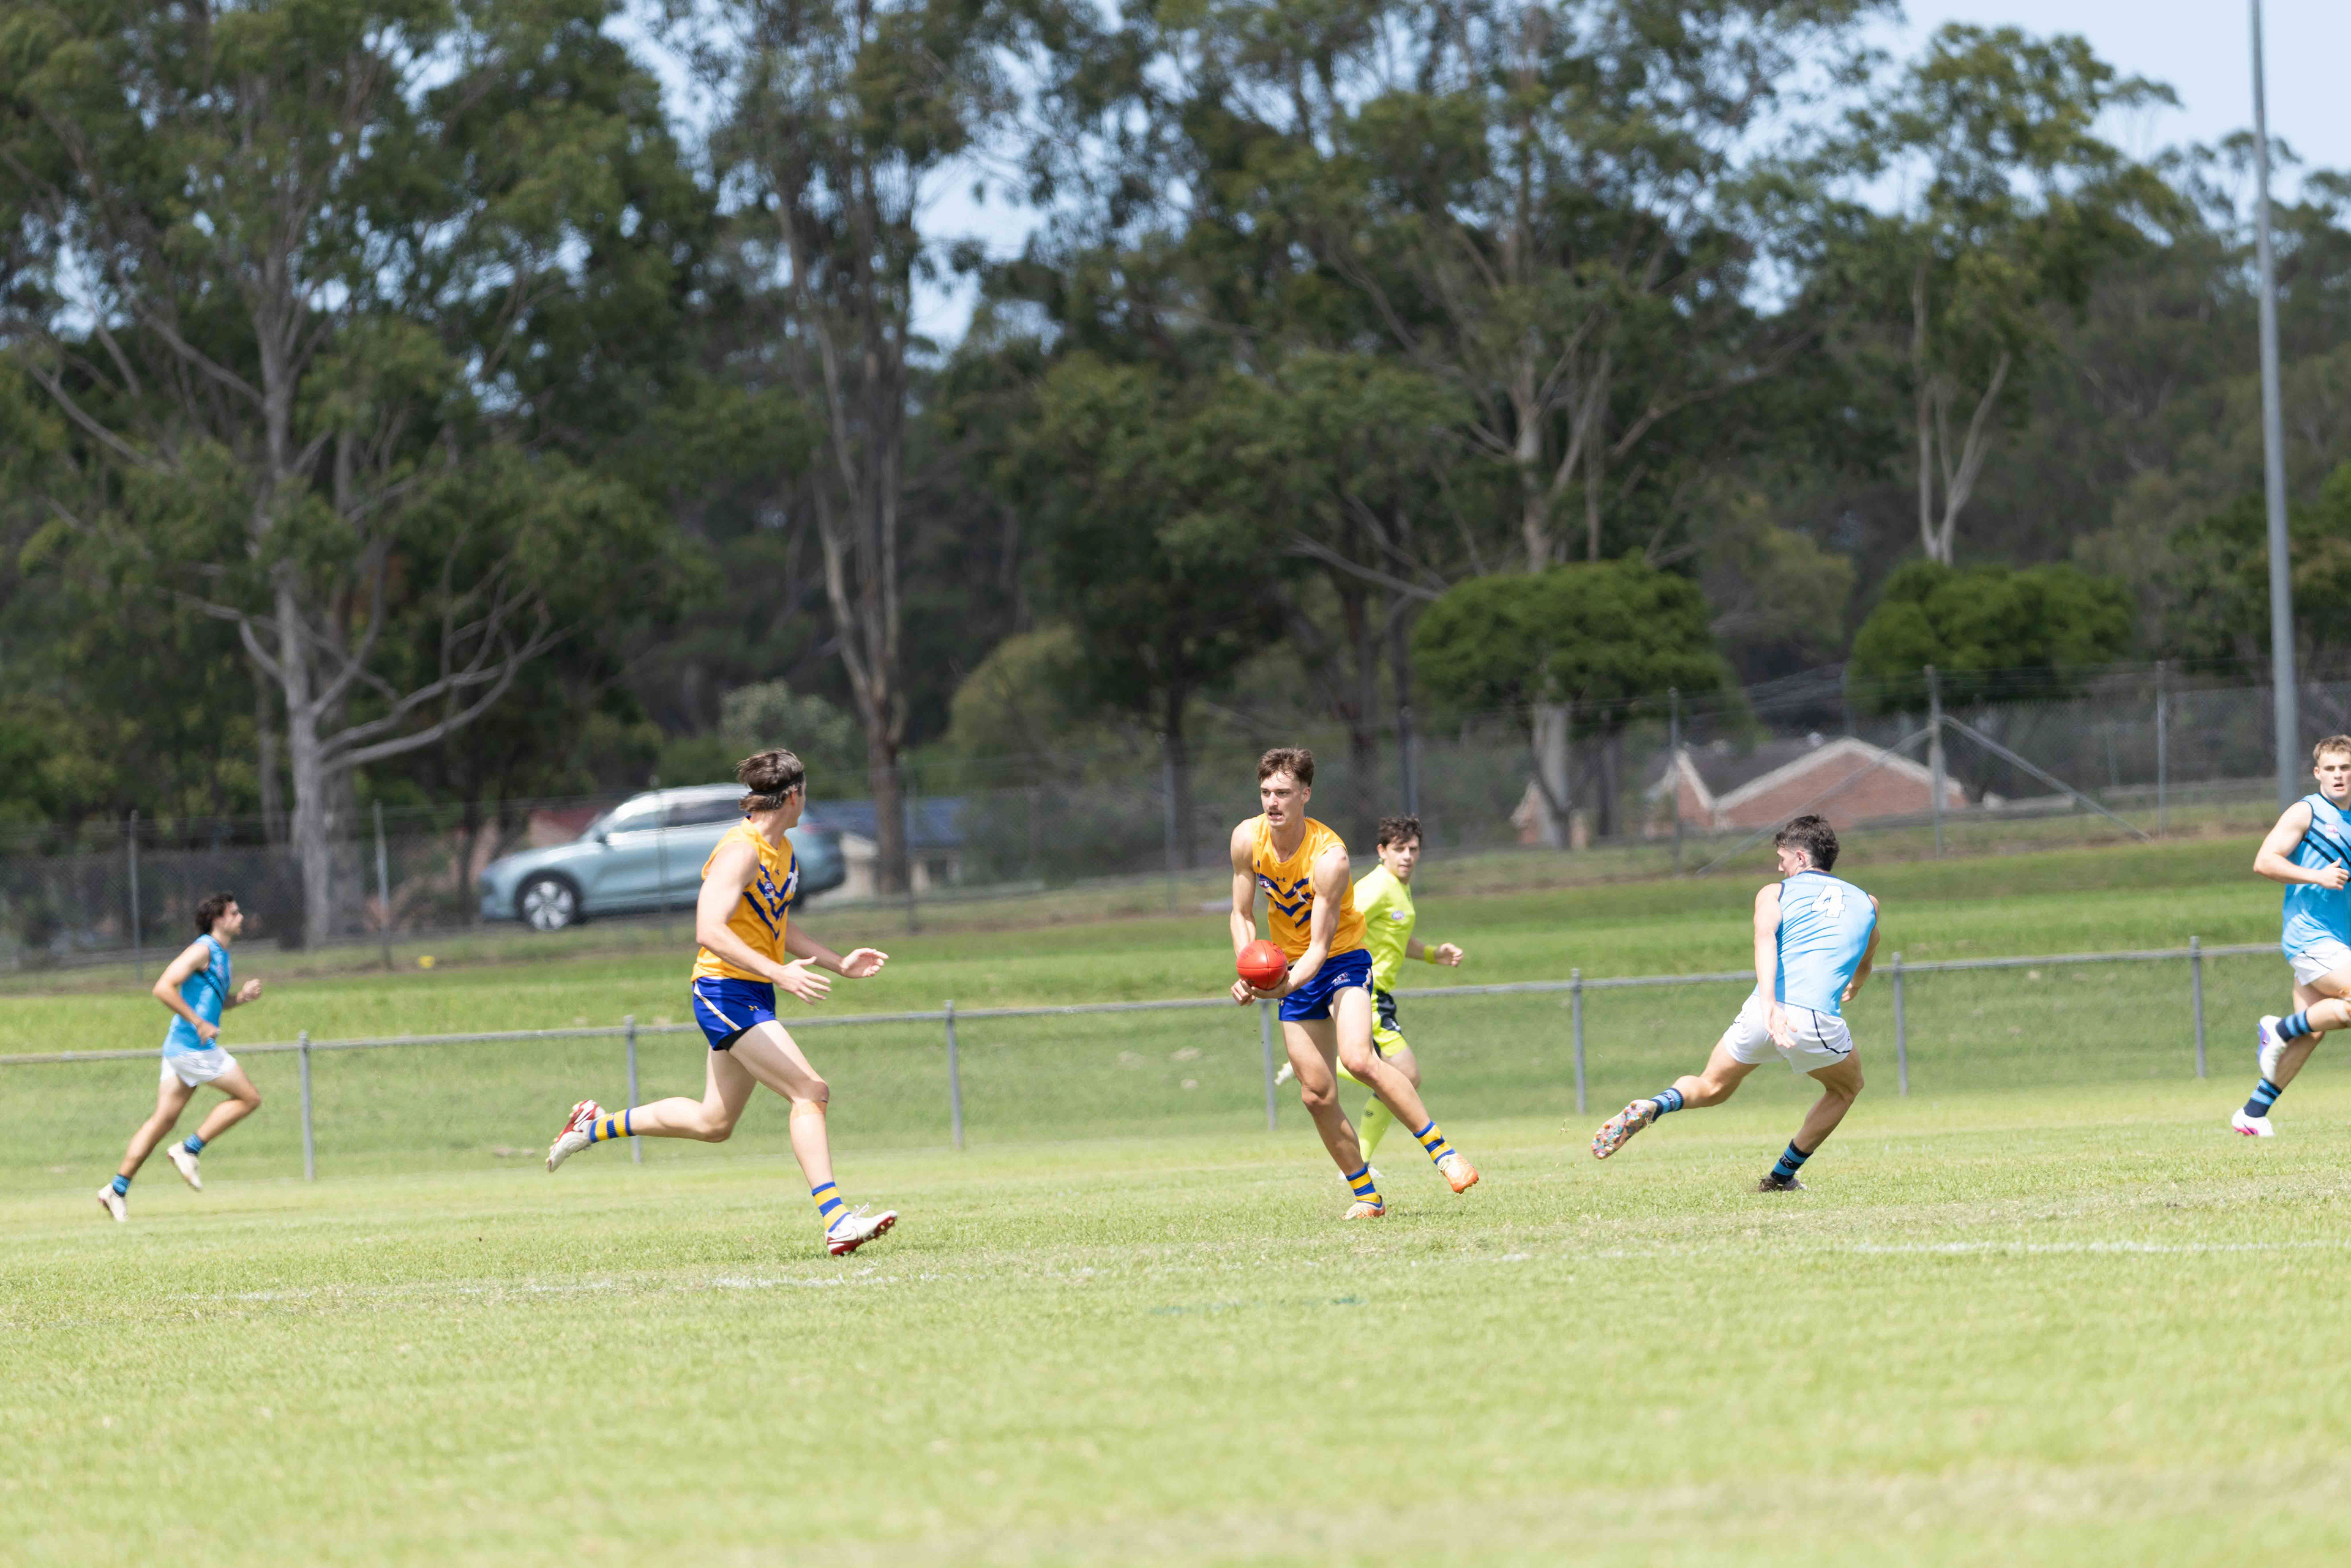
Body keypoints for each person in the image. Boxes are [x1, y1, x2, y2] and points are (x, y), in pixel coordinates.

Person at [544, 749, 898, 1256]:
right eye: (805, 792)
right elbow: (708, 929)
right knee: (809, 1091)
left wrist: (839, 962)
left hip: (751, 992)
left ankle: (594, 1125)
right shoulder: (741, 850)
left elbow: (777, 924)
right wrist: (779, 972)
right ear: (793, 796)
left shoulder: (783, 852)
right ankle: (837, 1221)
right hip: (723, 991)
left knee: (714, 1122)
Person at [1229, 748, 1479, 1218]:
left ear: (1306, 794)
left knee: (1360, 1058)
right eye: (1265, 792)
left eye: (1283, 792)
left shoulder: (1330, 857)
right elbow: (1241, 914)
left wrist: (1280, 985)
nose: (1272, 802)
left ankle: (1444, 1153)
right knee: (1315, 1094)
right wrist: (1248, 970)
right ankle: (1367, 1196)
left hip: (1340, 960)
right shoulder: (1246, 839)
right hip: (1291, 967)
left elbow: (1320, 948)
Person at [1588, 815, 1878, 1192]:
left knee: (1711, 1086)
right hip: (1810, 1017)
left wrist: (1768, 1004)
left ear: (1801, 857)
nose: (1780, 867)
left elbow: (1765, 938)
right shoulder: (1868, 902)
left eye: (1782, 858)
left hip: (1761, 1010)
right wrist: (1856, 984)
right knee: (1846, 1089)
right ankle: (1780, 1178)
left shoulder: (1773, 893)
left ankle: (1655, 1105)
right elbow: (1868, 956)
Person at [1273, 815, 1464, 1172]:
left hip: (1381, 993)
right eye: (1399, 849)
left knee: (1398, 1076)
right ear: (1382, 851)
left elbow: (1396, 936)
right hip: (1363, 990)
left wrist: (1432, 954)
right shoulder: (1376, 887)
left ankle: (1322, 1072)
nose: (1407, 856)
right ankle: (1360, 1142)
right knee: (1405, 1075)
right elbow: (1339, 924)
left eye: (1414, 849)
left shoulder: (1398, 887)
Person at [98, 891, 267, 1221]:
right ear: (217, 919)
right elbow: (163, 987)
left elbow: (212, 1001)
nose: (241, 917)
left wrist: (240, 998)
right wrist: (199, 1023)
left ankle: (116, 1189)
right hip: (192, 1048)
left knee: (162, 1121)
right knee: (249, 1098)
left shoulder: (222, 955)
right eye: (234, 913)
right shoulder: (203, 949)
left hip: (181, 1048)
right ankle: (189, 1149)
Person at [2240, 736, 2351, 1137]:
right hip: (2310, 937)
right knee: (2307, 1025)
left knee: (2315, 1029)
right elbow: (2264, 861)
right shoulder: (2307, 812)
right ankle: (2279, 1029)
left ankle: (2253, 1113)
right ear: (2318, 773)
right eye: (2331, 768)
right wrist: (2316, 875)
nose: (2338, 775)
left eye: (2345, 768)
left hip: (2339, 940)